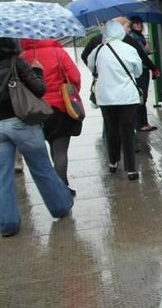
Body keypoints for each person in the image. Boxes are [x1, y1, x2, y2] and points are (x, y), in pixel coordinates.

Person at [0, 38, 74, 237]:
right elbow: (40, 89)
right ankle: (60, 206)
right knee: (41, 168)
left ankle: (8, 224)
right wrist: (38, 71)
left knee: (2, 176)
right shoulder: (17, 62)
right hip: (21, 122)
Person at [19, 38, 83, 194]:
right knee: (60, 151)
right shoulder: (58, 52)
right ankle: (62, 187)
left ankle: (53, 188)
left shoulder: (22, 57)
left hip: (34, 110)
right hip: (60, 108)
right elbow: (74, 77)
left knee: (41, 154)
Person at [88, 19, 143, 180]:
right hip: (127, 97)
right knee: (127, 131)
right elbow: (138, 71)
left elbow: (93, 68)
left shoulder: (97, 51)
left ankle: (113, 162)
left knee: (112, 129)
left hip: (106, 98)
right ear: (120, 32)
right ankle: (131, 168)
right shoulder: (129, 49)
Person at [126, 16, 160, 132]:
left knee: (142, 96)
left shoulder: (139, 36)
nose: (139, 25)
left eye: (140, 23)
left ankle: (142, 122)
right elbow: (139, 54)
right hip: (140, 71)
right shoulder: (133, 37)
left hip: (142, 69)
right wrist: (146, 49)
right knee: (141, 96)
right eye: (135, 24)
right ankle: (141, 124)